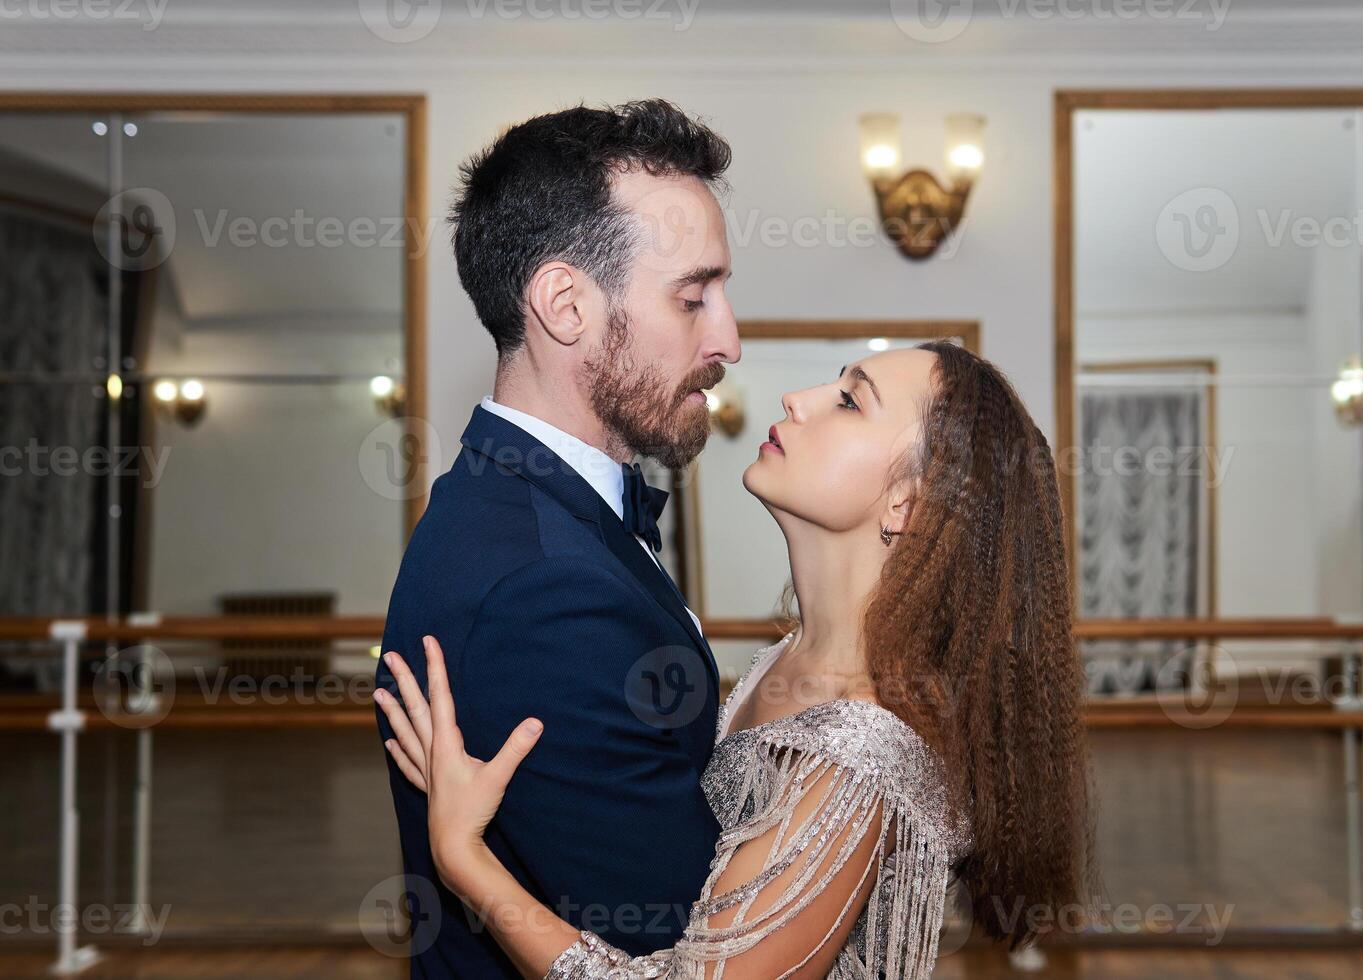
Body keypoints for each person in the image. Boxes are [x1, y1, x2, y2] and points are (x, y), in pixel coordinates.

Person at [377, 341, 1097, 978]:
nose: (799, 399)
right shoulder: (791, 659)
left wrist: (466, 861)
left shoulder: (861, 756)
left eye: (850, 402)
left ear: (907, 502)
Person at [373, 99, 739, 978]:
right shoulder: (544, 588)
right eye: (693, 297)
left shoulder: (524, 507)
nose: (728, 337)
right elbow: (678, 949)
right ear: (565, 304)